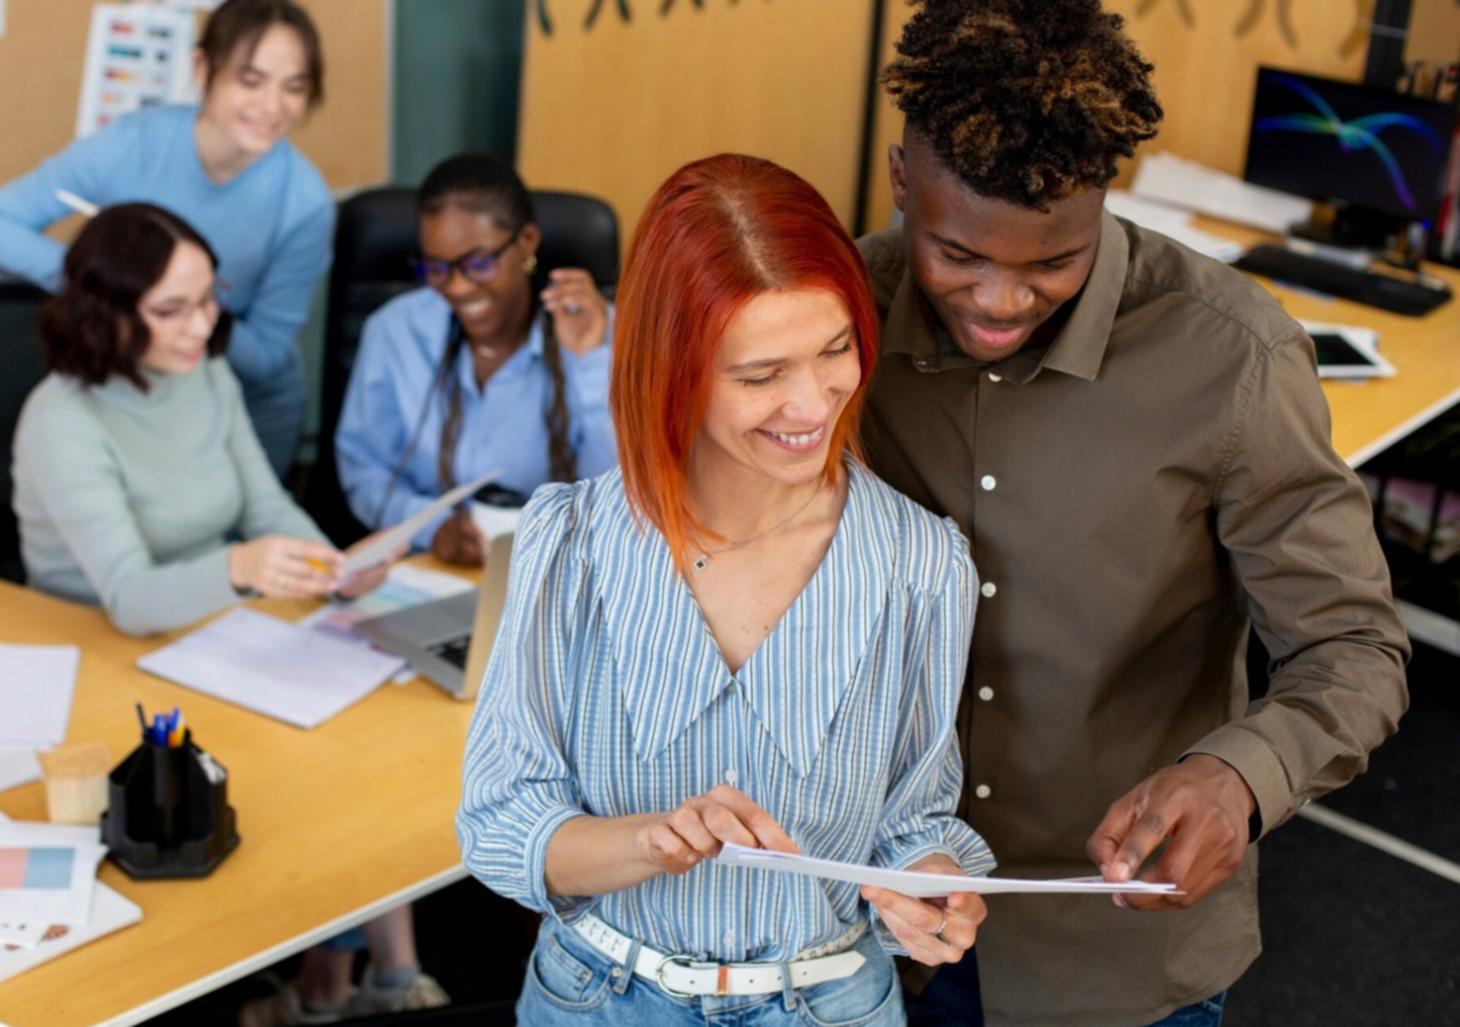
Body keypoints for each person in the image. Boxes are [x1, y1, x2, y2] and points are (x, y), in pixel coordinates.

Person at [861, 2, 1411, 1024]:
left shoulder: (1232, 358)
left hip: (1110, 951)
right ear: (901, 179)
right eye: (958, 255)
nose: (999, 301)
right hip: (869, 932)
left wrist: (1238, 778)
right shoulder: (834, 321)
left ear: (1104, 201)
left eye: (1050, 265)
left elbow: (1352, 644)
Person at [457, 153, 995, 1025]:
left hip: (827, 1002)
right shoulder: (571, 544)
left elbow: (914, 821)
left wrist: (930, 885)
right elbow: (500, 822)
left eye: (835, 350)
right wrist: (649, 840)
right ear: (673, 370)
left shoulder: (922, 565)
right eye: (760, 375)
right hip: (596, 1000)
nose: (812, 405)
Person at [0, 0, 332, 476]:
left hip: (241, 403)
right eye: (250, 80)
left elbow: (265, 356)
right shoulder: (130, 145)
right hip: (131, 394)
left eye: (294, 88)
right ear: (202, 68)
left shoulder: (305, 204)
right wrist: (112, 284)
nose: (272, 106)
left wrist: (185, 310)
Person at [12, 203, 389, 635]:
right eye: (170, 311)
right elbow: (128, 598)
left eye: (207, 299)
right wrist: (237, 568)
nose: (201, 328)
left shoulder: (205, 371)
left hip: (205, 622)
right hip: (89, 632)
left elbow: (266, 508)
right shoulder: (60, 421)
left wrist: (335, 570)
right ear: (104, 315)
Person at [334, 153, 618, 566]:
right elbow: (365, 471)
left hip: (559, 569)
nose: (457, 287)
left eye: (478, 264)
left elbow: (622, 495)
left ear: (527, 242)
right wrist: (433, 529)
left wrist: (591, 359)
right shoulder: (395, 332)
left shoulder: (598, 332)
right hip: (427, 569)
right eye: (436, 268)